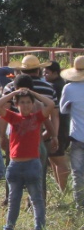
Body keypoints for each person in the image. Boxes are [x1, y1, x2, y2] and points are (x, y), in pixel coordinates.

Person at [0, 86, 56, 230]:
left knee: (36, 198)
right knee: (13, 199)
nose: (26, 105)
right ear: (17, 104)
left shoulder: (37, 117)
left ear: (33, 104)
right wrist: (14, 93)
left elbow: (51, 104)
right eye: (22, 102)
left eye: (29, 102)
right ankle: (9, 228)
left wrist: (33, 93)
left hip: (32, 163)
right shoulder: (13, 117)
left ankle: (39, 228)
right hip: (15, 163)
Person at [59, 55, 84, 209]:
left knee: (78, 173)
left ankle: (80, 205)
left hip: (77, 136)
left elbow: (62, 109)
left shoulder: (69, 88)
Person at [44, 60, 71, 191]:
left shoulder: (54, 87)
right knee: (54, 157)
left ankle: (64, 190)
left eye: (47, 72)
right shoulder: (60, 84)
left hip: (58, 125)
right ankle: (60, 188)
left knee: (58, 158)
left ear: (55, 72)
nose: (45, 74)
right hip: (61, 124)